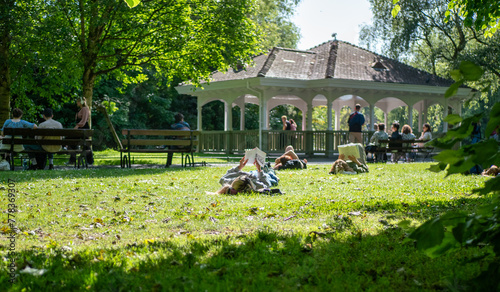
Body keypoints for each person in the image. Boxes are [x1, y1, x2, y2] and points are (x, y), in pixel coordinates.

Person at [68, 97, 93, 165]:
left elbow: (84, 120)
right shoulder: (81, 109)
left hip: (83, 127)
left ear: (81, 102)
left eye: (78, 101)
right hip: (81, 127)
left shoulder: (84, 109)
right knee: (76, 142)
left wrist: (78, 126)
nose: (77, 103)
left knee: (85, 144)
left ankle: (89, 161)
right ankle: (73, 160)